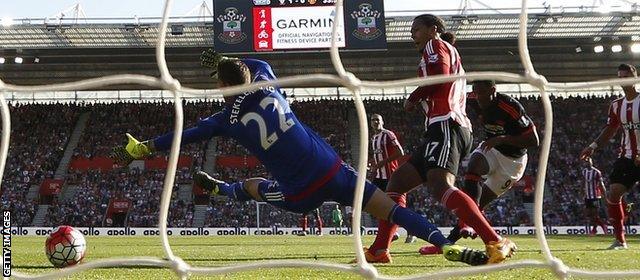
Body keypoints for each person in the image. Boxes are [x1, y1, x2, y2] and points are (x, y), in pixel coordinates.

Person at [111, 50, 488, 265]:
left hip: (300, 192)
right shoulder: (266, 80)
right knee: (390, 208)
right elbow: (252, 65)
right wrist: (219, 58)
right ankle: (445, 243)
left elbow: (183, 135)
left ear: (223, 86)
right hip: (334, 171)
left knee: (257, 187)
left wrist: (144, 148)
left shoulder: (223, 118)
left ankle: (221, 190)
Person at [363, 14, 516, 264]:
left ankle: (494, 241)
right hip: (441, 127)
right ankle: (380, 249)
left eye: (417, 29)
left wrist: (413, 97)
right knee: (397, 183)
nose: (412, 34)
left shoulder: (436, 45)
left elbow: (440, 75)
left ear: (433, 29)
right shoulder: (445, 49)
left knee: (440, 185)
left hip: (447, 123)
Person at [420, 80, 539, 255]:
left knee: (478, 204)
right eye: (476, 93)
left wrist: (501, 139)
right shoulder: (472, 99)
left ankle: (451, 239)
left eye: (482, 93)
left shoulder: (510, 107)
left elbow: (533, 140)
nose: (479, 98)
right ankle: (447, 243)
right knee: (473, 167)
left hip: (513, 162)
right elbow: (451, 99)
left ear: (493, 90)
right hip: (491, 149)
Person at [580, 63, 640, 250]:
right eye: (620, 77)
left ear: (635, 76)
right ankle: (620, 240)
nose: (623, 80)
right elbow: (610, 129)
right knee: (613, 194)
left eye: (627, 75)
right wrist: (593, 146)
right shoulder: (616, 105)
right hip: (627, 156)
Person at [369, 114, 405, 242]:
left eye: (377, 119)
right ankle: (388, 231)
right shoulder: (374, 138)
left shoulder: (388, 135)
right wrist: (373, 166)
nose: (375, 122)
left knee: (395, 206)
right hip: (379, 176)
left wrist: (382, 163)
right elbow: (378, 156)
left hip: (390, 176)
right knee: (374, 204)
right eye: (373, 120)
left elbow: (400, 152)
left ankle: (407, 231)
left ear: (382, 121)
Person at [581, 158, 608, 235]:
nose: (587, 163)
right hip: (587, 196)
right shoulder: (584, 171)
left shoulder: (596, 172)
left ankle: (597, 228)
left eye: (589, 162)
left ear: (592, 162)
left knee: (594, 214)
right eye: (586, 162)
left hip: (595, 196)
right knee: (588, 214)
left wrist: (605, 195)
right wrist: (581, 191)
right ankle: (601, 226)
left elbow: (601, 184)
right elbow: (583, 182)